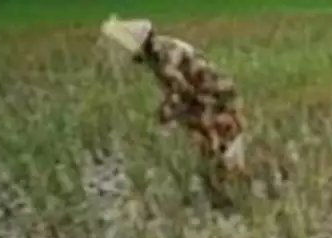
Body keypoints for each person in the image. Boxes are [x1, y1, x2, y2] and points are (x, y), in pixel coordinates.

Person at [100, 16, 247, 197]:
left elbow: (180, 89)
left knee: (218, 135)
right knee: (211, 139)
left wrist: (167, 112)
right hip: (209, 91)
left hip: (213, 94)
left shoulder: (163, 58)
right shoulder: (162, 46)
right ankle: (221, 181)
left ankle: (231, 183)